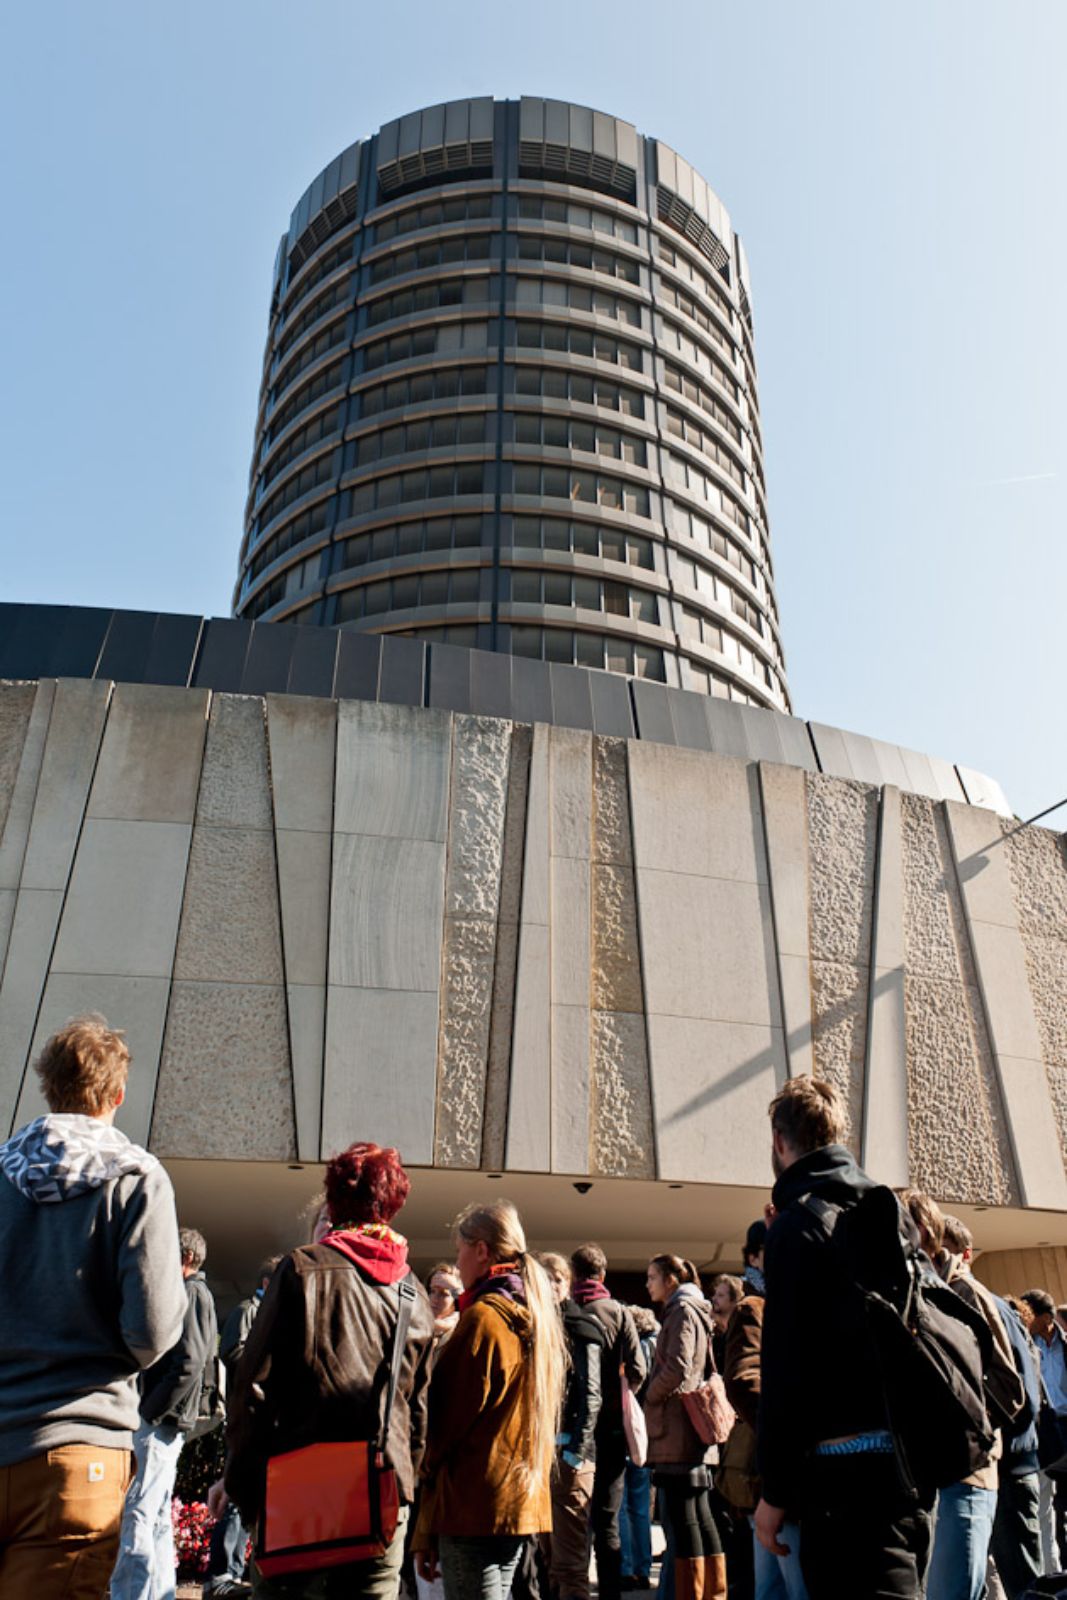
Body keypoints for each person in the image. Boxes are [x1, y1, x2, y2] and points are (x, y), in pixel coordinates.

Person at [0, 1014, 185, 1599]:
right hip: (79, 1451)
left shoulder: (3, 1173)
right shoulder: (136, 1180)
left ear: (48, 1086)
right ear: (117, 1095)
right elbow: (153, 1330)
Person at [219, 1142, 435, 1597]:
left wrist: (245, 1487)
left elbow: (251, 1387)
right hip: (383, 1494)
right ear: (393, 1205)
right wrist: (405, 1492)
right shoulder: (413, 1293)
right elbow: (416, 1413)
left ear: (334, 1200)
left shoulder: (302, 1268)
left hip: (301, 1487)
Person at [754, 1075, 933, 1599]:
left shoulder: (796, 1227)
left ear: (780, 1142)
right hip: (907, 1473)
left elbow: (786, 1370)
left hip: (839, 1479)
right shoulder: (888, 1214)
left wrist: (775, 1492)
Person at [413, 1200, 566, 1599]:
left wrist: (423, 1509)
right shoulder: (533, 1315)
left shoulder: (485, 1319)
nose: (457, 1260)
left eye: (460, 1248)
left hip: (473, 1506)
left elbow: (444, 1426)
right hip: (514, 1504)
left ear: (482, 1251)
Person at [920, 1209, 1024, 1600]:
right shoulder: (923, 1292)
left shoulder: (965, 1293)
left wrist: (965, 1431)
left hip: (968, 1473)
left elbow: (1010, 1389)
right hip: (939, 1475)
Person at [112, 1225, 218, 1600]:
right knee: (154, 1517)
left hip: (160, 1424)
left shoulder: (188, 1293)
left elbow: (187, 1362)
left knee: (138, 1515)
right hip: (170, 1424)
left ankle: (134, 1594)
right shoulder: (199, 1293)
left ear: (185, 1259)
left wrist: (149, 1412)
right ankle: (159, 1594)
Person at [721, 1222, 806, 1600]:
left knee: (774, 1585)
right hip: (770, 1467)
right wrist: (784, 1432)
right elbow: (743, 1381)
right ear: (754, 1255)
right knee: (786, 1582)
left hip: (773, 1466)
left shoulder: (786, 1300)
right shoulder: (754, 1306)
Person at [644, 1254, 727, 1600]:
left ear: (670, 1280)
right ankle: (712, 1593)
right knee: (699, 1517)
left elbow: (677, 1367)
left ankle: (694, 1596)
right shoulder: (697, 1309)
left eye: (652, 1277)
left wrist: (650, 1393)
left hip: (678, 1431)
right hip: (694, 1431)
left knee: (684, 1521)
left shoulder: (680, 1310)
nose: (647, 1284)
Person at [570, 1243, 647, 1600]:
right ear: (602, 1275)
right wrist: (620, 1392)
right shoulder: (617, 1312)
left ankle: (573, 1590)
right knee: (607, 1520)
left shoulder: (567, 1310)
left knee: (571, 1520)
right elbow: (639, 1368)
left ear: (574, 1274)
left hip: (570, 1431)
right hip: (611, 1430)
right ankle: (610, 1594)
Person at [202, 1255, 282, 1600]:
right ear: (268, 1283)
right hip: (244, 1417)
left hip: (262, 1418)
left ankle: (235, 1570)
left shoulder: (273, 1312)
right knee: (236, 1492)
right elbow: (232, 1353)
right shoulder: (248, 1310)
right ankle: (222, 1575)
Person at [537, 1252, 605, 1600]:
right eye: (543, 1278)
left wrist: (575, 1453)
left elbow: (591, 1395)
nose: (549, 1286)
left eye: (557, 1279)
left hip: (568, 1455)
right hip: (540, 1455)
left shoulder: (581, 1327)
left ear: (568, 1284)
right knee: (547, 1560)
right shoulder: (534, 1326)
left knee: (569, 1564)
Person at [1022, 1287, 1067, 1573]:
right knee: (1048, 1505)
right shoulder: (1027, 1345)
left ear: (1047, 1318)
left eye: (1032, 1314)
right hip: (1046, 1428)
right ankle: (1055, 1570)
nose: (1026, 1318)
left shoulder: (1066, 1345)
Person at [619, 1305, 658, 1592]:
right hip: (647, 1435)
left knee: (621, 1506)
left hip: (623, 1432)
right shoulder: (659, 1346)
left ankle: (626, 1567)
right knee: (641, 1507)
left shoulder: (627, 1354)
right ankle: (643, 1568)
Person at [426, 1262, 463, 1357]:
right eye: (432, 1291)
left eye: (444, 1294)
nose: (435, 1298)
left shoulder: (461, 1333)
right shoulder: (415, 1326)